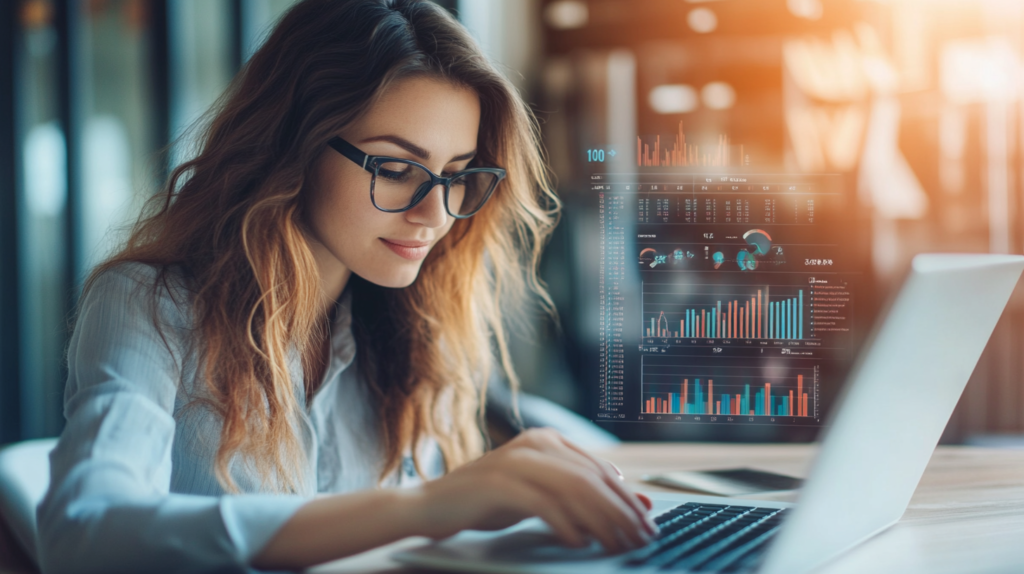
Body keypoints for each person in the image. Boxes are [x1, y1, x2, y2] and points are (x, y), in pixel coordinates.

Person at [36, 1, 656, 572]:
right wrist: (423, 507)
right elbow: (83, 532)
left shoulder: (408, 325)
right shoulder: (150, 303)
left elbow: (507, 416)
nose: (434, 214)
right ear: (293, 144)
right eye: (395, 168)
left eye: (456, 175)